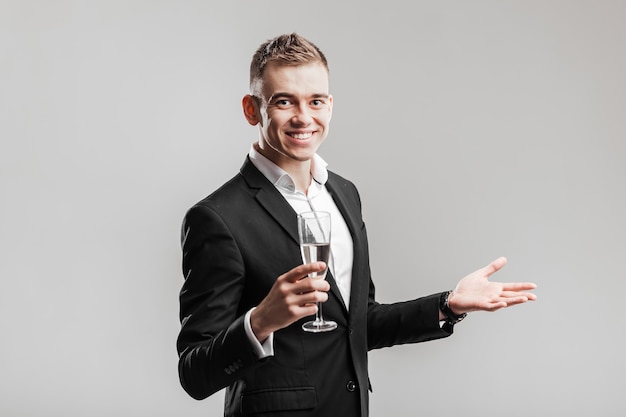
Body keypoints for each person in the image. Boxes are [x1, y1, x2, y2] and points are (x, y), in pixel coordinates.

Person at [176, 33, 537, 417]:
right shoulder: (217, 217)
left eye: (315, 101)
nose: (303, 117)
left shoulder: (345, 194)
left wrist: (448, 305)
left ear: (329, 107)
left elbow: (359, 322)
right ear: (253, 109)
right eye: (284, 101)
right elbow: (194, 373)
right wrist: (260, 321)